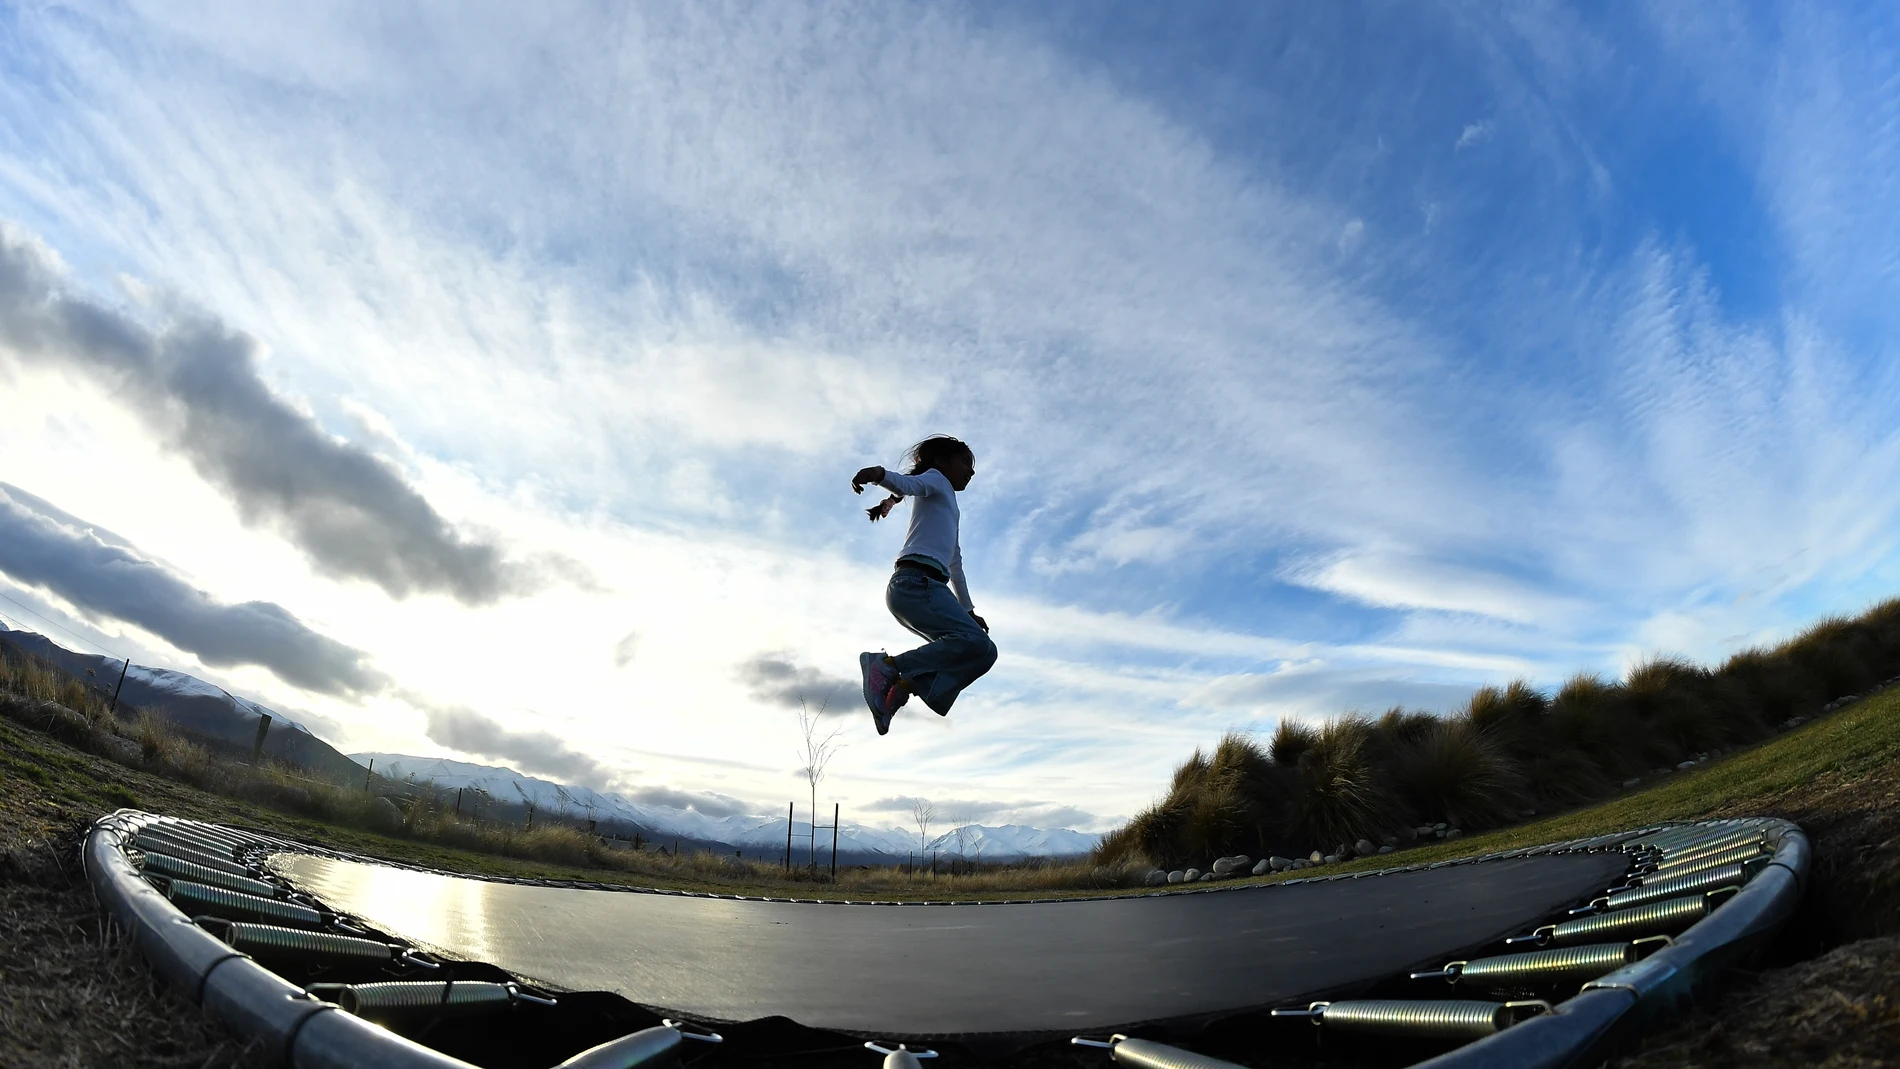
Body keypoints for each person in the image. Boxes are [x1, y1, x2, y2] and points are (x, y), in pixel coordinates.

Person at [850, 435, 995, 735]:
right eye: (965, 462)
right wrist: (879, 475)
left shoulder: (950, 505)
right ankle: (887, 667)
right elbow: (908, 485)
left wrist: (968, 610)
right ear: (941, 461)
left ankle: (903, 687)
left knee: (983, 652)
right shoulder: (936, 480)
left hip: (925, 588)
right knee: (976, 644)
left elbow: (955, 562)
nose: (971, 471)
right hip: (916, 583)